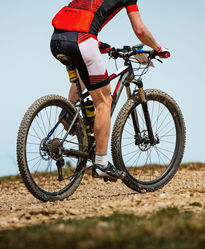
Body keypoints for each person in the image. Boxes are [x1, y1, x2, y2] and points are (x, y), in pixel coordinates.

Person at [50, 0, 170, 179]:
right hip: (82, 40)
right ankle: (101, 163)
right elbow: (140, 30)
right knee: (104, 101)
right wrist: (158, 49)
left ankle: (69, 110)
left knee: (87, 73)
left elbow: (80, 20)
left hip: (57, 39)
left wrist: (103, 46)